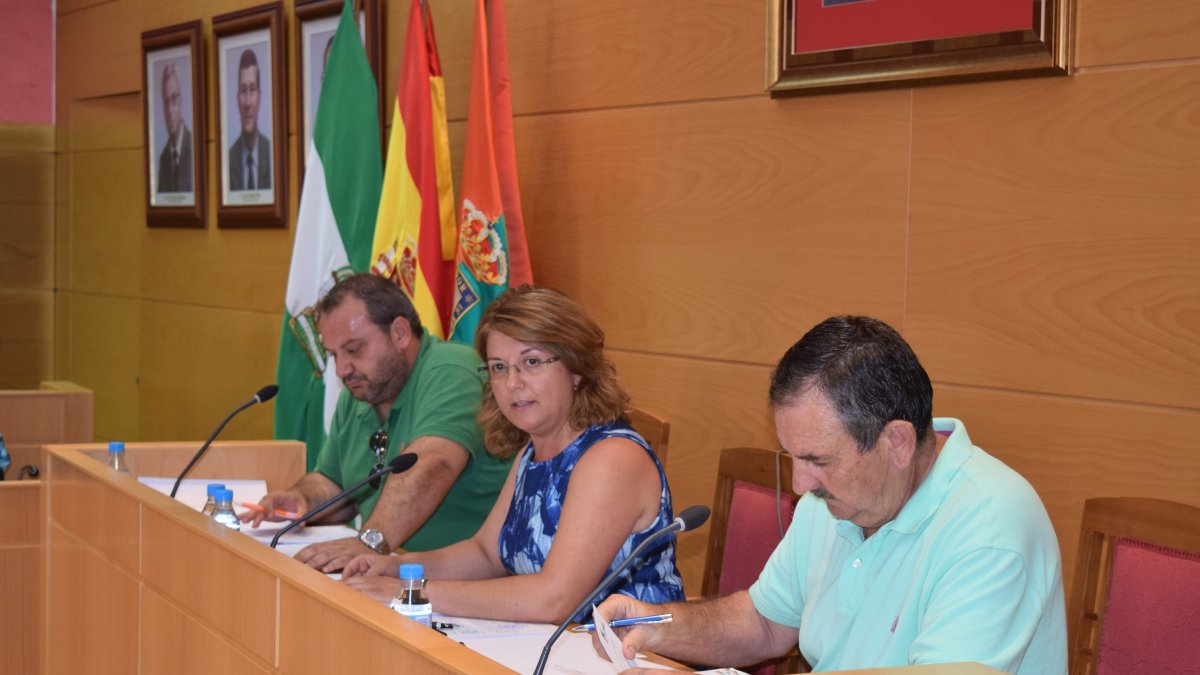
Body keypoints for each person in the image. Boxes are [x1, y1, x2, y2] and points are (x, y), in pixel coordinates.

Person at [594, 316, 1067, 674]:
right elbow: (766, 622)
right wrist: (657, 624)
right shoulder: (837, 498)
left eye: (817, 460)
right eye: (792, 457)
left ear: (896, 443)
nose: (801, 485)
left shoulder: (991, 526)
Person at [341, 286, 684, 623]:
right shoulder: (531, 452)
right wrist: (396, 568)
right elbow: (485, 554)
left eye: (531, 362)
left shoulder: (613, 457)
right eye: (499, 367)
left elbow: (554, 599)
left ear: (577, 368)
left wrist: (413, 592)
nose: (512, 383)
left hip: (634, 656)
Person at [244, 273, 511, 572]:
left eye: (354, 349)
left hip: (471, 580)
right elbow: (333, 481)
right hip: (394, 572)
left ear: (399, 333)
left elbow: (432, 465)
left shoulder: (451, 368)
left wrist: (368, 544)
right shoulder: (362, 389)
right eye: (334, 355)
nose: (342, 370)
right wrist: (301, 498)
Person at [228, 48, 271, 191]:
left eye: (252, 89)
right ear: (237, 99)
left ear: (260, 97)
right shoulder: (227, 161)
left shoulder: (272, 155)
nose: (247, 103)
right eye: (243, 90)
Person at [156, 62, 192, 193]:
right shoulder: (163, 159)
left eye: (174, 99)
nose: (170, 110)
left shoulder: (195, 150)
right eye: (166, 102)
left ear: (181, 101)